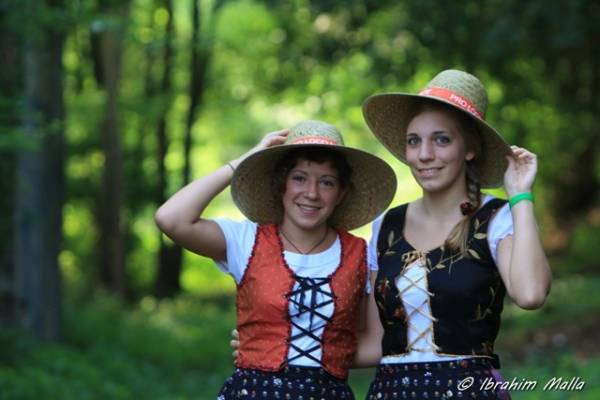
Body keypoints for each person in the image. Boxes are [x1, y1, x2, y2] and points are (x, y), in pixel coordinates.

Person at [155, 120, 397, 399]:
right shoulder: (245, 241)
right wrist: (244, 161)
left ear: (341, 193)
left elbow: (373, 341)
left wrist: (320, 353)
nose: (311, 193)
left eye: (327, 182)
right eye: (299, 178)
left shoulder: (361, 254)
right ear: (281, 184)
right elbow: (170, 219)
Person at [358, 69, 552, 399]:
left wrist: (520, 195)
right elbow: (374, 343)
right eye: (414, 141)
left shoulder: (496, 218)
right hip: (391, 392)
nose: (424, 155)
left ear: (470, 148)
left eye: (442, 139)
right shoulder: (386, 226)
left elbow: (531, 294)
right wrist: (272, 348)